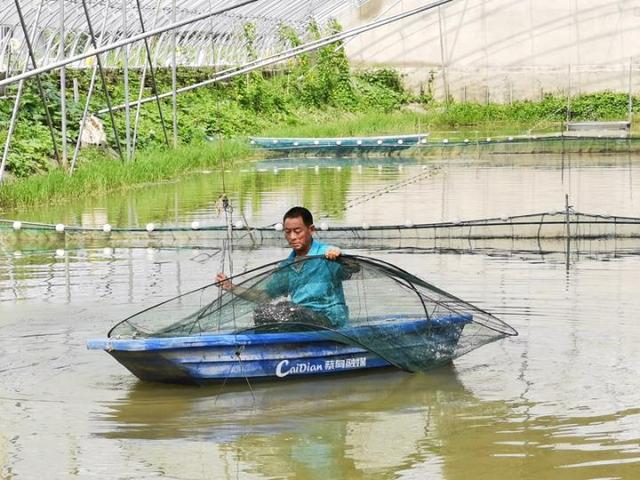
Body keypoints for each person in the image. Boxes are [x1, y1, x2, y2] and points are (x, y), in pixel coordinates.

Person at [216, 206, 356, 328]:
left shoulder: (326, 254)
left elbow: (354, 268)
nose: (292, 237)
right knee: (263, 312)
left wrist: (339, 257)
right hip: (301, 318)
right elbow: (264, 296)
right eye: (287, 232)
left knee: (288, 310)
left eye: (297, 231)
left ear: (311, 230)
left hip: (330, 319)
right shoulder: (287, 266)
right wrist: (231, 287)